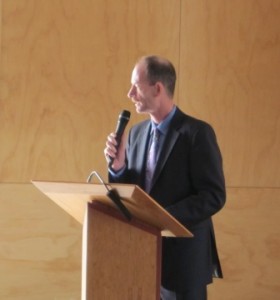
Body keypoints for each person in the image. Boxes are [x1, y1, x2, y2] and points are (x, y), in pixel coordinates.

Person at [104, 55, 226, 300]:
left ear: (157, 88)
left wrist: (163, 218)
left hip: (184, 264)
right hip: (143, 260)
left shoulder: (197, 133)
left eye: (136, 86)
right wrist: (117, 168)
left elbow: (214, 196)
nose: (130, 93)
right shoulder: (136, 133)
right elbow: (130, 195)